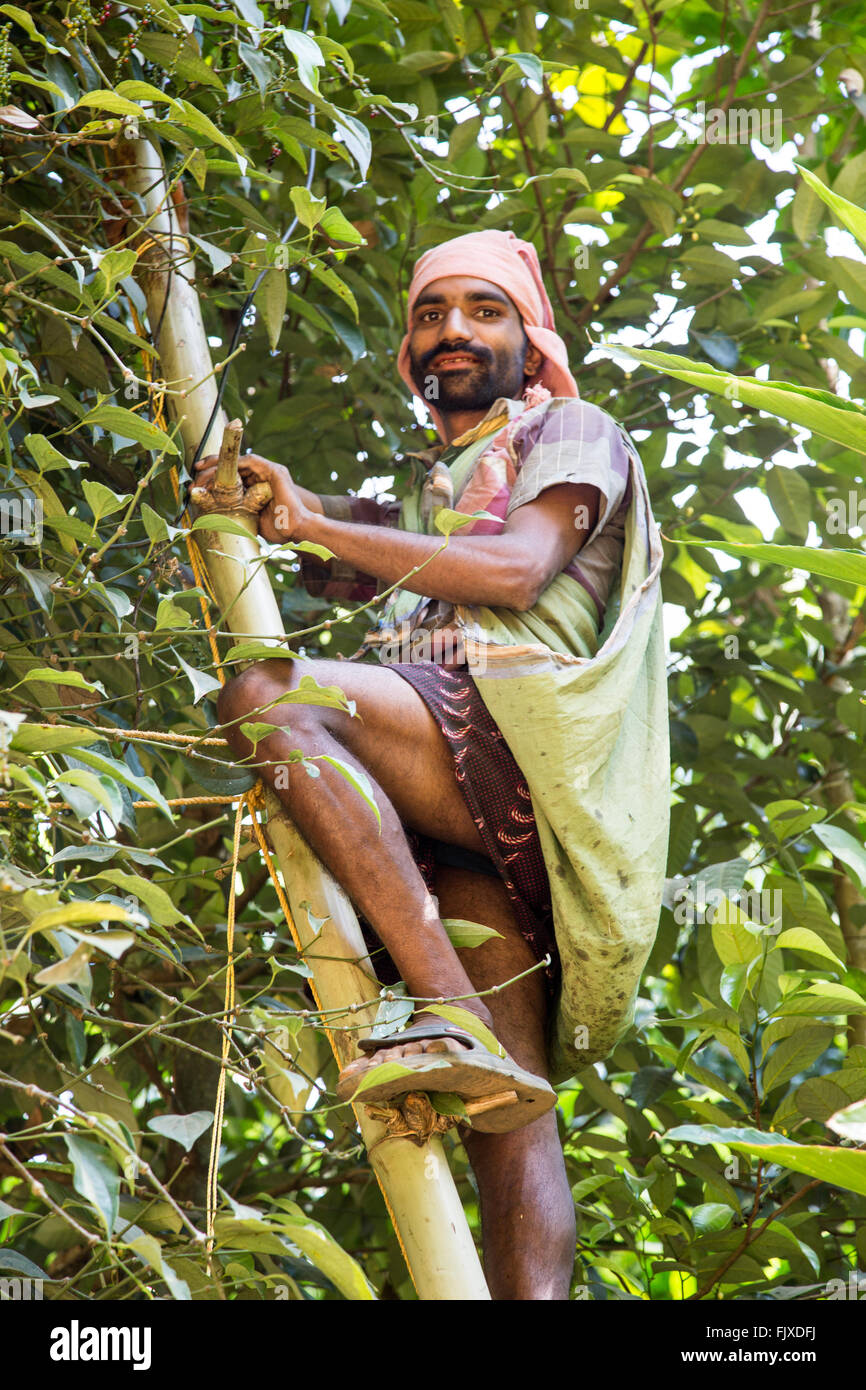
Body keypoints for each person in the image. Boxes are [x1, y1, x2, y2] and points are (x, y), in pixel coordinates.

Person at [194, 230, 669, 1301]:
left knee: (272, 696)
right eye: (428, 313)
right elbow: (362, 540)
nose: (449, 329)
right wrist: (284, 506)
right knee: (511, 1112)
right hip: (465, 806)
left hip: (515, 740)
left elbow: (509, 567)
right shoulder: (436, 485)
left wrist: (314, 520)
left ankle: (444, 1010)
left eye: (480, 310)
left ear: (528, 336)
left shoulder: (571, 431)